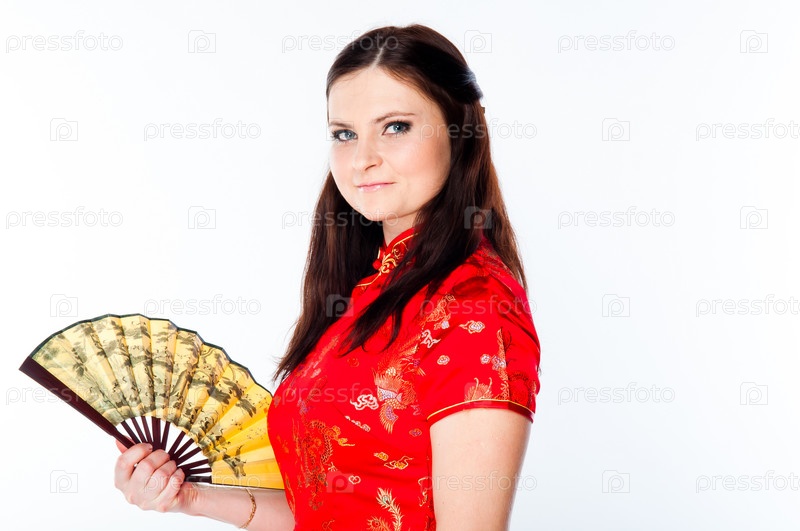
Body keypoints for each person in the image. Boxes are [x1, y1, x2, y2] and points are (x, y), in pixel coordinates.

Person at [114, 23, 541, 530]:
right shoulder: (365, 291)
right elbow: (320, 509)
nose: (363, 159)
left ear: (461, 130)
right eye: (344, 134)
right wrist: (190, 497)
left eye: (395, 127)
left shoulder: (476, 307)